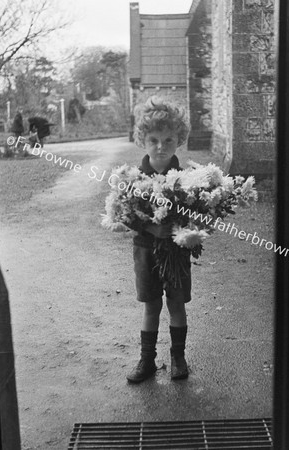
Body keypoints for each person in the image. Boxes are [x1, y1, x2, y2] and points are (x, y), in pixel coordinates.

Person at [126, 96, 191, 383]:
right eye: (154, 140)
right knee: (151, 305)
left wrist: (183, 229)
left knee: (176, 303)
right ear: (143, 139)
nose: (161, 147)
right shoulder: (134, 177)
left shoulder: (189, 178)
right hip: (145, 249)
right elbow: (125, 214)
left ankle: (178, 357)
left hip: (176, 251)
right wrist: (152, 230)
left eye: (168, 140)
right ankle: (147, 360)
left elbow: (198, 214)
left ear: (179, 139)